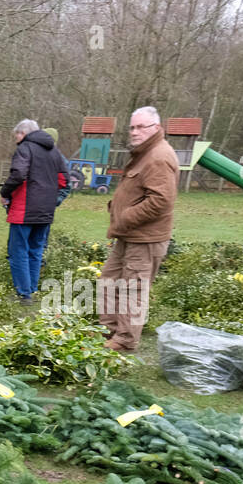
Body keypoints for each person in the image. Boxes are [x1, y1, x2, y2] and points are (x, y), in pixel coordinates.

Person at [97, 106, 179, 351]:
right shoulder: (145, 153)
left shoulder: (158, 156)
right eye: (132, 127)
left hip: (145, 238)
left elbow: (161, 200)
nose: (134, 132)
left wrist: (125, 217)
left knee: (133, 289)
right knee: (109, 282)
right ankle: (109, 331)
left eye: (140, 127)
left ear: (155, 128)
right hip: (129, 234)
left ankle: (125, 340)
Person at [0, 119, 69, 302]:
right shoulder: (55, 152)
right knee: (36, 250)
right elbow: (64, 181)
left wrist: (5, 192)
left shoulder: (25, 148)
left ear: (24, 133)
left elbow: (19, 174)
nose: (16, 139)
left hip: (24, 209)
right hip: (46, 211)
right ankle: (31, 289)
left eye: (17, 135)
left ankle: (24, 293)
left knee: (18, 250)